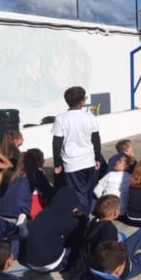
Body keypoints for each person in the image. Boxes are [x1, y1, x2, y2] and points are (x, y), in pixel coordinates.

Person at [52, 85, 102, 214]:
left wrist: (57, 164)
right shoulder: (90, 116)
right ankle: (84, 217)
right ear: (82, 102)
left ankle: (81, 218)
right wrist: (97, 157)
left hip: (72, 163)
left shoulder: (61, 118)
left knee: (77, 194)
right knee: (87, 192)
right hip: (89, 160)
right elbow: (96, 139)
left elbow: (57, 143)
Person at [18, 186, 87, 273]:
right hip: (49, 264)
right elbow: (71, 241)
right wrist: (82, 221)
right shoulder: (69, 220)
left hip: (30, 261)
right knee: (79, 247)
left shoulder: (44, 212)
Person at [1, 148, 55, 218]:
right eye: (42, 159)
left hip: (5, 210)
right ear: (39, 161)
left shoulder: (16, 174)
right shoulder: (36, 174)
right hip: (24, 210)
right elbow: (48, 192)